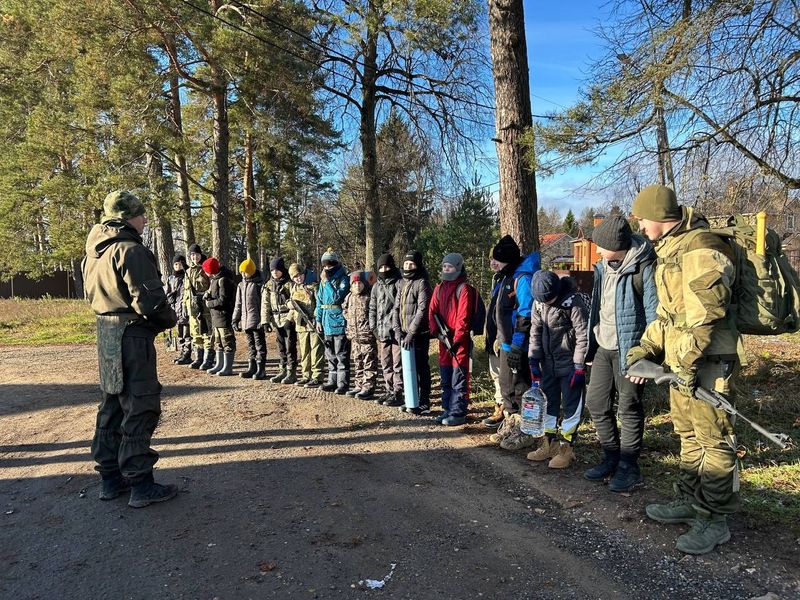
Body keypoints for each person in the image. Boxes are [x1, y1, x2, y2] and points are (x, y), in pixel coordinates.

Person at [626, 184, 740, 555]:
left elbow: (707, 316)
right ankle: (690, 502)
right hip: (682, 362)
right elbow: (670, 316)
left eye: (643, 220)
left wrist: (688, 365)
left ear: (660, 218)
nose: (641, 228)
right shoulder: (671, 248)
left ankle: (715, 520)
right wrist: (646, 347)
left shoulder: (700, 247)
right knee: (688, 435)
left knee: (715, 441)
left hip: (708, 363)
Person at [82, 190, 178, 508]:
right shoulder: (130, 250)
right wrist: (167, 320)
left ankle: (110, 479)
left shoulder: (93, 253)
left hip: (106, 332)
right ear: (127, 218)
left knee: (111, 405)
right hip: (132, 334)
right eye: (141, 215)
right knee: (140, 404)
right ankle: (140, 483)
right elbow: (150, 302)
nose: (145, 220)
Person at [584, 215, 658, 491]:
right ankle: (611, 457)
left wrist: (646, 357)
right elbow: (598, 308)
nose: (597, 251)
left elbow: (654, 314)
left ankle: (629, 467)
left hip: (631, 351)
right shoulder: (603, 267)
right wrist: (592, 345)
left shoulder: (643, 267)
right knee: (596, 403)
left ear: (616, 245)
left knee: (628, 408)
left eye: (600, 246)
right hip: (603, 346)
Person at [524, 271, 589, 468]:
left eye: (551, 298)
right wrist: (534, 359)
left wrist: (579, 366)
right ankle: (548, 443)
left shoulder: (573, 302)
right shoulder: (538, 303)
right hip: (548, 364)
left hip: (570, 365)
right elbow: (535, 331)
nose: (548, 302)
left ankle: (567, 448)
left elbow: (583, 335)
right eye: (544, 300)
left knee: (571, 405)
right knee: (548, 404)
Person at [486, 235, 540, 448]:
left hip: (518, 344)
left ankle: (525, 431)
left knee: (520, 387)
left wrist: (518, 343)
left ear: (507, 259)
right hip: (505, 343)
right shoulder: (504, 277)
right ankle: (510, 424)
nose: (493, 263)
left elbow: (525, 314)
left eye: (496, 259)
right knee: (506, 385)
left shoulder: (522, 278)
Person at [428, 253, 477, 426]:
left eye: (450, 266)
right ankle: (447, 409)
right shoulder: (439, 288)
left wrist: (456, 339)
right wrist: (437, 333)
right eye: (444, 266)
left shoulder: (463, 289)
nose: (446, 269)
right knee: (446, 376)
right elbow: (432, 312)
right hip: (444, 341)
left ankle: (458, 412)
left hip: (459, 343)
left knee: (459, 378)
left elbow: (463, 318)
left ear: (458, 267)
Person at [394, 250, 432, 414]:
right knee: (408, 368)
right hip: (403, 333)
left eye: (412, 264)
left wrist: (411, 332)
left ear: (418, 265)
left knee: (421, 368)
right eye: (406, 263)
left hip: (419, 334)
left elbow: (422, 309)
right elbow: (396, 308)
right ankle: (411, 398)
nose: (408, 266)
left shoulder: (422, 282)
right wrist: (397, 329)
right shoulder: (401, 282)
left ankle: (424, 401)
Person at [369, 253, 404, 407]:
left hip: (396, 332)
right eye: (381, 267)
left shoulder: (399, 283)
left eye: (386, 266)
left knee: (398, 363)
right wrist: (373, 328)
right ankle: (389, 390)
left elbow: (401, 308)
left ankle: (398, 392)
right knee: (386, 363)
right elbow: (372, 308)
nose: (384, 269)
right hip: (381, 332)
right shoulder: (376, 286)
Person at [315, 248, 351, 394]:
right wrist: (318, 319)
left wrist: (327, 282)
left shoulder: (343, 278)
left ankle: (343, 383)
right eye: (325, 265)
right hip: (326, 321)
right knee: (330, 354)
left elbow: (337, 297)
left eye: (330, 264)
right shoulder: (323, 281)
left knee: (341, 354)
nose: (327, 267)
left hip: (339, 320)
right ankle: (332, 381)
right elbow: (319, 301)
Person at [261, 257, 298, 384]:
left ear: (282, 270)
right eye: (272, 270)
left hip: (288, 319)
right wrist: (265, 321)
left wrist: (290, 318)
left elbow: (295, 302)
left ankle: (291, 372)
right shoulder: (268, 285)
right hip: (276, 320)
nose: (274, 272)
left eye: (277, 270)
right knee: (281, 346)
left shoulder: (289, 283)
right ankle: (282, 369)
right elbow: (265, 304)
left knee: (290, 346)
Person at [287, 263, 324, 387]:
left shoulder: (314, 286)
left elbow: (319, 304)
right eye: (295, 277)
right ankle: (305, 375)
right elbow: (291, 303)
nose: (298, 278)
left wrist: (317, 319)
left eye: (300, 275)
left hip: (313, 323)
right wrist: (289, 306)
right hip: (300, 324)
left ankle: (317, 376)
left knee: (316, 350)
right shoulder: (294, 288)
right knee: (304, 351)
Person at [343, 270, 379, 399]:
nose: (357, 286)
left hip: (367, 337)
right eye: (354, 284)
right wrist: (349, 328)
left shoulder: (368, 297)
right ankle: (358, 384)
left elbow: (375, 314)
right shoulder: (349, 297)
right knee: (357, 362)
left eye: (359, 284)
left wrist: (372, 329)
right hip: (354, 337)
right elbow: (345, 311)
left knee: (369, 362)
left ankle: (368, 387)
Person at [482, 253, 507, 427]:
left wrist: (501, 337)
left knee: (505, 378)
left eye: (496, 259)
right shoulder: (498, 280)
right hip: (493, 337)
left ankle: (507, 412)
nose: (492, 263)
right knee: (495, 374)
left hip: (504, 339)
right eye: (491, 259)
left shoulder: (514, 280)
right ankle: (499, 406)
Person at [233, 258, 267, 380]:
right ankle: (251, 367)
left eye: (245, 272)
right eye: (241, 272)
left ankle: (261, 369)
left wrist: (263, 321)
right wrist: (235, 319)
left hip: (257, 321)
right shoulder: (241, 285)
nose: (243, 274)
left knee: (259, 345)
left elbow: (263, 304)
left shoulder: (259, 285)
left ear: (252, 271)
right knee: (251, 345)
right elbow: (238, 304)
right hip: (245, 321)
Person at [202, 257, 236, 376]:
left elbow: (223, 300)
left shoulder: (224, 280)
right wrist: (207, 295)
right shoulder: (214, 280)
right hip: (216, 317)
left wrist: (209, 303)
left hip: (224, 317)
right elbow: (213, 294)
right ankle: (220, 365)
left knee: (227, 342)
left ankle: (228, 367)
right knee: (218, 343)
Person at [184, 243, 215, 370]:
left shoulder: (205, 269)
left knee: (206, 333)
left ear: (200, 255)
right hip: (192, 309)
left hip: (204, 308)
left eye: (196, 254)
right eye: (192, 254)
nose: (194, 257)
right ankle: (199, 358)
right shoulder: (188, 271)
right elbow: (186, 292)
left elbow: (212, 286)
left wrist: (204, 297)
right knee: (195, 333)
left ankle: (209, 359)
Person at [166, 254, 192, 365]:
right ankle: (182, 353)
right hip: (175, 309)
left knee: (187, 333)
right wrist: (170, 297)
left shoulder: (187, 277)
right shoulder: (170, 278)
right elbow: (166, 293)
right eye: (176, 264)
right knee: (179, 333)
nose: (178, 266)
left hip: (185, 309)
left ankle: (187, 354)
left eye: (180, 264)